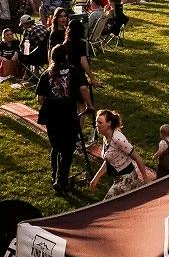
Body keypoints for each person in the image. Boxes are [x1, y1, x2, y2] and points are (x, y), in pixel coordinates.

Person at [37, 45, 86, 192]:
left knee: (56, 147)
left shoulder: (47, 74)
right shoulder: (73, 71)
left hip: (52, 116)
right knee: (68, 149)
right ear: (66, 57)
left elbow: (40, 98)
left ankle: (55, 177)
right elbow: (82, 90)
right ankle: (61, 180)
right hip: (68, 115)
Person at [88, 108, 147, 198]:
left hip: (127, 178)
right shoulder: (106, 137)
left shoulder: (118, 139)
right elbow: (108, 160)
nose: (97, 125)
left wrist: (145, 178)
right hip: (118, 179)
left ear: (109, 124)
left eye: (100, 123)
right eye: (96, 122)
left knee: (108, 204)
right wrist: (97, 177)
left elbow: (136, 157)